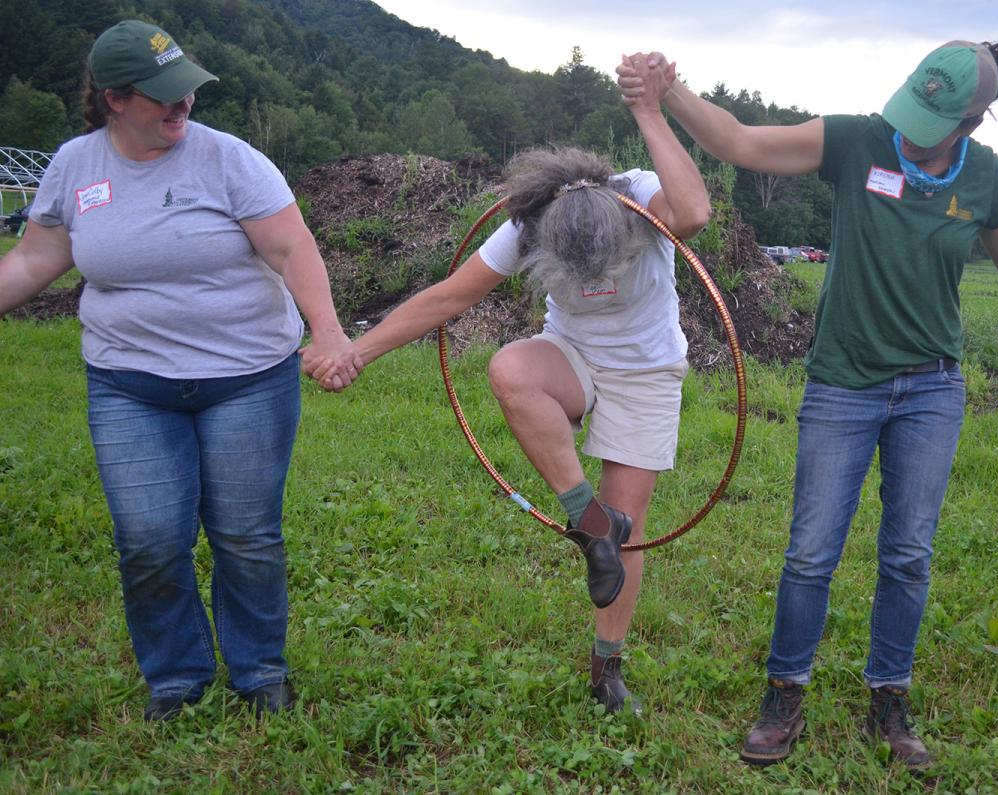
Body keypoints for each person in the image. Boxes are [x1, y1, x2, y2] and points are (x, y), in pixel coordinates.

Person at [618, 41, 998, 767]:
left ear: (974, 120)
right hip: (843, 382)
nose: (911, 129)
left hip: (931, 388)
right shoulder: (859, 140)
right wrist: (670, 91)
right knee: (811, 551)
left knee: (909, 554)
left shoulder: (987, 178)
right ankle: (784, 692)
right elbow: (740, 142)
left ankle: (889, 700)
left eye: (933, 120)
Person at [0, 20, 361, 721]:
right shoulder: (76, 166)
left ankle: (259, 671)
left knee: (247, 534)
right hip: (129, 384)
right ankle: (176, 680)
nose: (181, 105)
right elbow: (34, 258)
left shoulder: (229, 160)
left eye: (187, 90)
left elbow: (292, 249)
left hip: (249, 378)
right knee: (149, 537)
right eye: (162, 97)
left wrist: (328, 330)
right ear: (114, 99)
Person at [304, 96, 711, 713]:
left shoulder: (643, 198)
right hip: (570, 356)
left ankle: (607, 667)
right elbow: (447, 299)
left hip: (646, 369)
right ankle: (587, 519)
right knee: (510, 367)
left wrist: (650, 111)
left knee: (630, 531)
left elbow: (697, 213)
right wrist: (356, 353)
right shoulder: (527, 223)